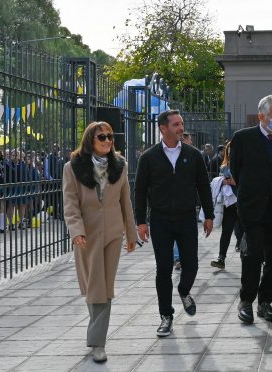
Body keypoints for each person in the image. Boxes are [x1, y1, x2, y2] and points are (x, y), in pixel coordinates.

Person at [135, 110, 214, 337]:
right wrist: (141, 221)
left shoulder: (193, 155)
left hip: (187, 218)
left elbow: (203, 186)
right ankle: (166, 316)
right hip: (160, 220)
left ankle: (184, 290)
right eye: (176, 124)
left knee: (192, 265)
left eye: (181, 124)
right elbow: (139, 191)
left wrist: (209, 215)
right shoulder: (148, 157)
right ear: (163, 128)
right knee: (163, 269)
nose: (181, 128)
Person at [63, 121, 137, 363]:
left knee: (104, 287)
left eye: (110, 137)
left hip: (114, 234)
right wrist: (76, 231)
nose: (107, 141)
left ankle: (97, 343)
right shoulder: (72, 167)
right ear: (90, 140)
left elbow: (126, 201)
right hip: (87, 235)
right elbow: (70, 204)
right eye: (102, 137)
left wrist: (131, 233)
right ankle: (97, 337)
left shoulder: (121, 166)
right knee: (94, 286)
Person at [230, 95, 272, 324]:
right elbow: (236, 171)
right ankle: (246, 301)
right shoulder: (243, 138)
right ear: (261, 116)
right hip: (252, 207)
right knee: (253, 254)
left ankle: (265, 302)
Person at [210, 141, 242, 270]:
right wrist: (226, 181)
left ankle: (259, 259)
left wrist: (236, 181)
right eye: (229, 150)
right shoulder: (225, 166)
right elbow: (224, 181)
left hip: (245, 203)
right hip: (230, 203)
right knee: (227, 230)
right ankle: (221, 258)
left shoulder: (245, 164)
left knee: (248, 231)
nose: (231, 152)